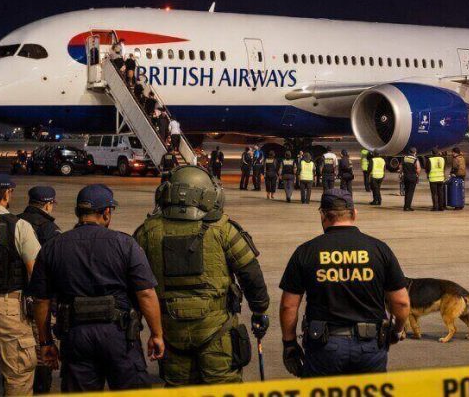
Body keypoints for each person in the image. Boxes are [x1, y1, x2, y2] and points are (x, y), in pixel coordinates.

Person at [134, 166, 270, 386]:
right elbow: (250, 274)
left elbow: (136, 285)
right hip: (217, 333)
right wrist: (260, 310)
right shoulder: (224, 230)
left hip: (171, 333)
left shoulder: (147, 232)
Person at [28, 184, 164, 392]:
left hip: (75, 337)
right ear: (106, 212)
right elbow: (146, 292)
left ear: (77, 213)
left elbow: (41, 300)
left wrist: (46, 341)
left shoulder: (54, 247)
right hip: (119, 335)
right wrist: (157, 334)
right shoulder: (125, 244)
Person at [279, 189, 410, 378]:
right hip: (369, 347)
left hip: (324, 348)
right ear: (354, 214)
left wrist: (289, 343)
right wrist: (397, 331)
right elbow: (401, 302)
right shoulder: (379, 250)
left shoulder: (306, 251)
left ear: (323, 215)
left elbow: (288, 305)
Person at [0, 172, 41, 396]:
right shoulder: (19, 226)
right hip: (8, 307)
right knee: (17, 377)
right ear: (7, 194)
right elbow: (36, 272)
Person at [19, 186, 60, 393]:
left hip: (14, 298)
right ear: (47, 204)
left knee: (19, 353)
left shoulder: (15, 222)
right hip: (39, 299)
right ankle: (40, 389)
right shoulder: (50, 230)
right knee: (42, 348)